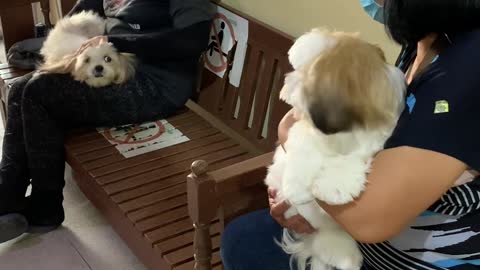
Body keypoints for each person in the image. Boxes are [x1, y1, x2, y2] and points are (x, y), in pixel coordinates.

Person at [221, 0, 480, 269]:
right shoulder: (423, 43)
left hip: (414, 257)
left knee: (244, 244)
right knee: (241, 241)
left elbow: (371, 218)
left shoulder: (467, 68)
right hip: (357, 237)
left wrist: (289, 135)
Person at [0, 0, 213, 243]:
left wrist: (116, 42)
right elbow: (80, 13)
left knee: (39, 92)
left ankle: (45, 207)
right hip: (111, 64)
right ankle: (8, 193)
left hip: (155, 83)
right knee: (19, 89)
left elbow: (191, 41)